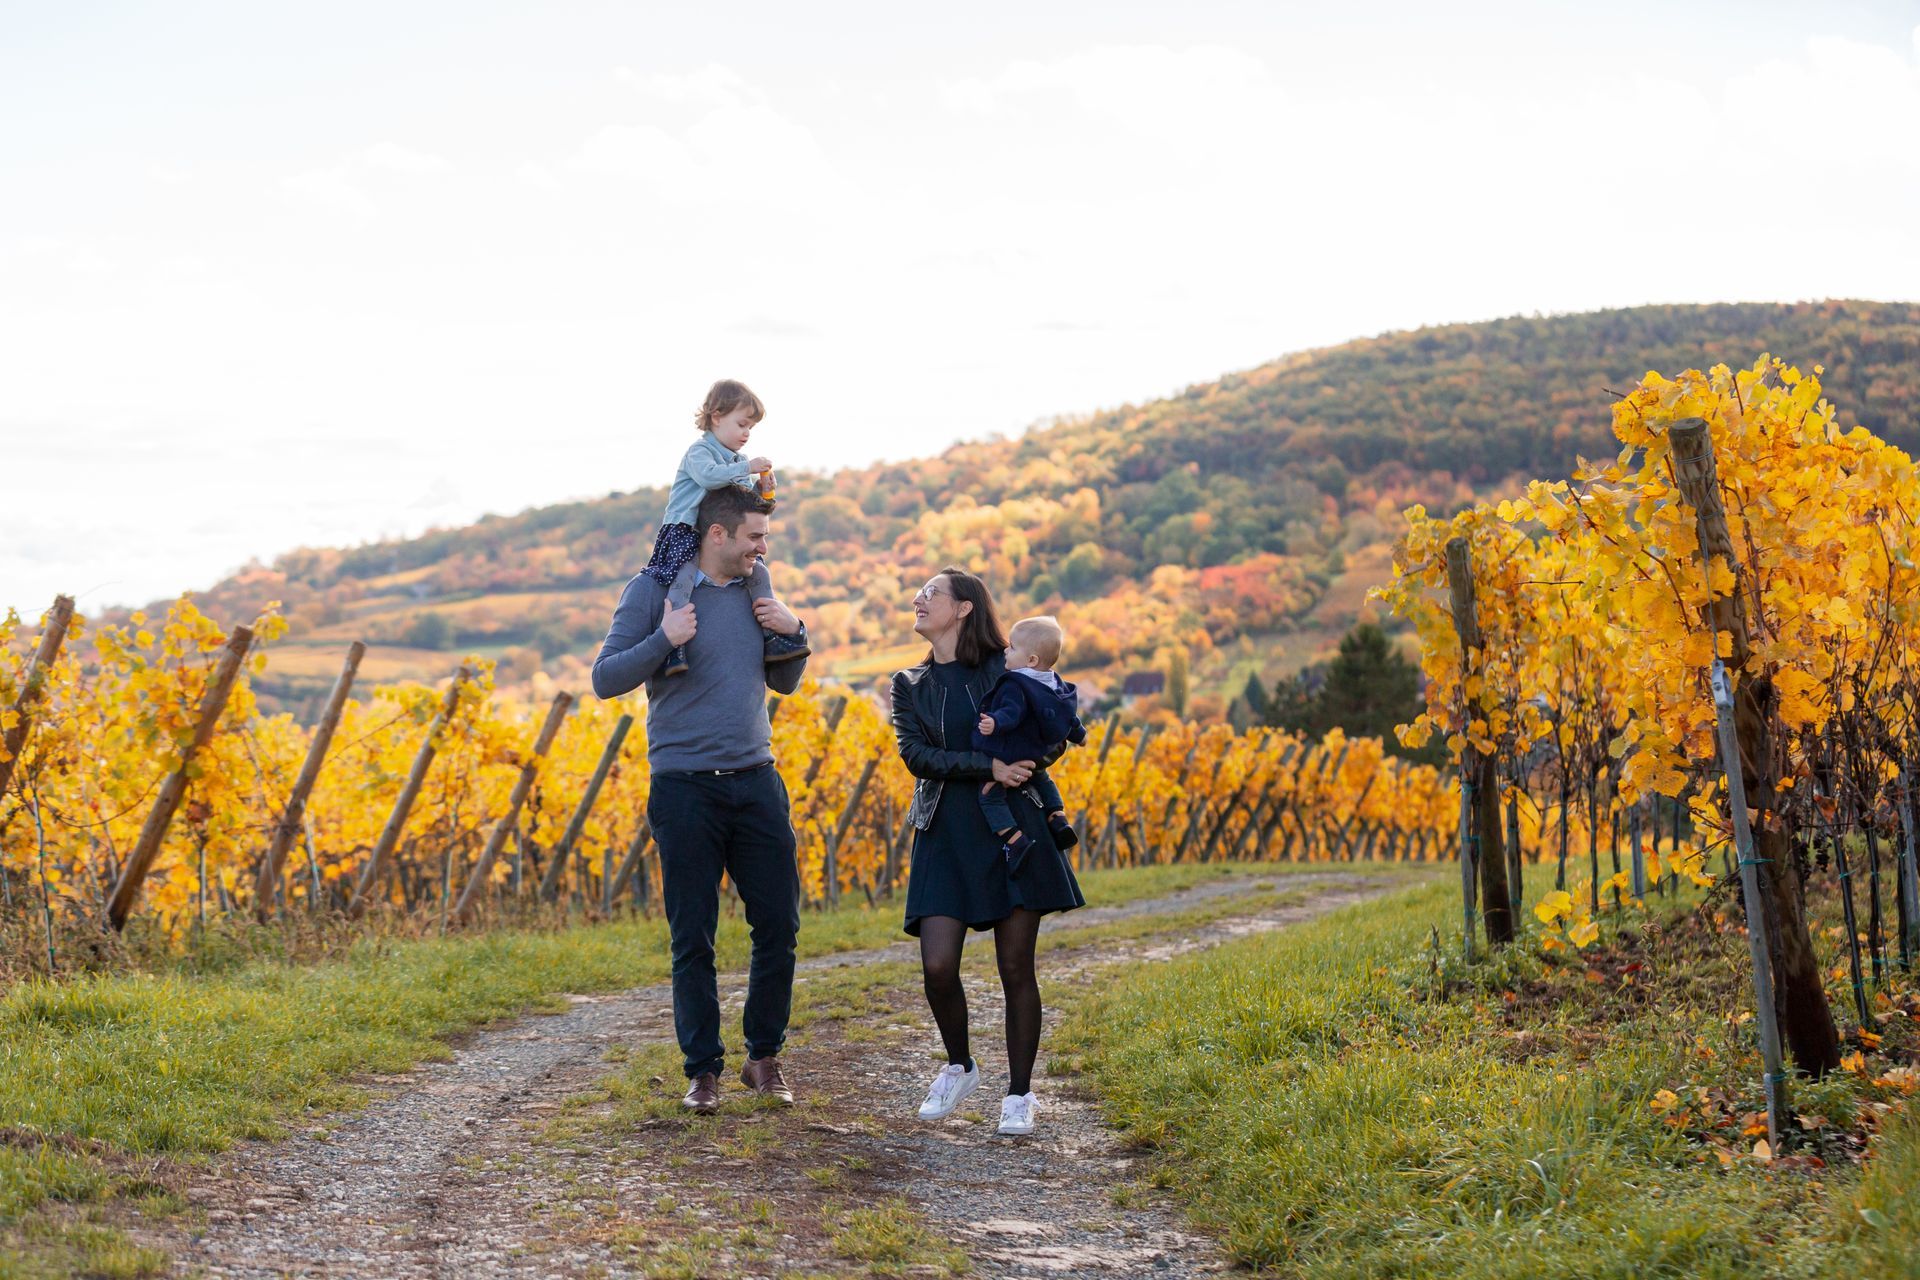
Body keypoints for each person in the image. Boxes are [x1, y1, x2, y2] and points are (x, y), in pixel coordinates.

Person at [592, 483, 811, 1113]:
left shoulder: (757, 591)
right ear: (717, 534)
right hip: (684, 787)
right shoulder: (655, 593)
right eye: (753, 537)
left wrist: (794, 630)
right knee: (694, 935)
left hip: (756, 781)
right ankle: (703, 1071)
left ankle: (764, 1058)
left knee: (779, 924)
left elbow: (786, 680)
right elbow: (606, 679)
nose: (761, 548)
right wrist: (664, 637)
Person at [890, 568, 1085, 1137]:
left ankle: (1020, 1094)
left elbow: (1057, 721)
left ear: (965, 608)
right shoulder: (909, 683)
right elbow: (916, 755)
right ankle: (961, 1064)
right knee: (937, 965)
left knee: (1015, 966)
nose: (919, 601)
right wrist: (988, 765)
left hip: (1012, 828)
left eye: (931, 594)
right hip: (945, 832)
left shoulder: (1009, 666)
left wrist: (1029, 762)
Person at [644, 378, 810, 677]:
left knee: (759, 571)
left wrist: (764, 490)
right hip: (685, 529)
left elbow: (743, 504)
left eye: (751, 428)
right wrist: (747, 468)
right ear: (717, 417)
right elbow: (709, 478)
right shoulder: (700, 453)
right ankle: (673, 645)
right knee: (683, 578)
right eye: (742, 424)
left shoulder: (738, 460)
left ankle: (772, 636)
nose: (746, 434)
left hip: (719, 534)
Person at [971, 615, 1086, 873]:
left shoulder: (1016, 683)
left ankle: (1014, 840)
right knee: (1042, 779)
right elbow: (1068, 715)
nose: (1005, 650)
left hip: (1011, 750)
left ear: (1031, 660)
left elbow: (1011, 711)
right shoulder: (1055, 682)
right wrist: (1080, 736)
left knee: (989, 794)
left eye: (1012, 647)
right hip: (1037, 750)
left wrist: (994, 723)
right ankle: (1058, 817)